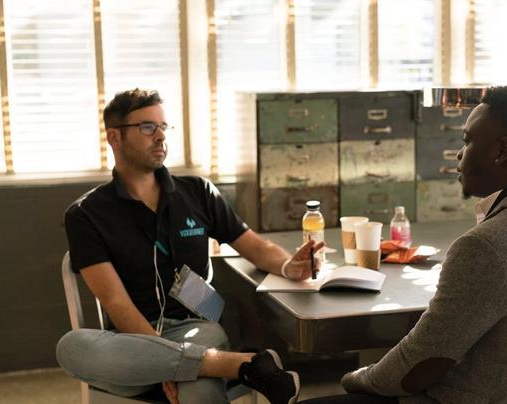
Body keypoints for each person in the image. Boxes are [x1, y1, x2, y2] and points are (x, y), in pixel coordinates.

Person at [302, 84, 507, 404]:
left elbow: (419, 367)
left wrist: (355, 378)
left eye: (467, 141)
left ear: (501, 151)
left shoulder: (486, 246)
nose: (459, 154)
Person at [56, 88, 323, 404]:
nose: (160, 136)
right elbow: (116, 303)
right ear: (115, 138)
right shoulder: (86, 214)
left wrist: (289, 266)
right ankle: (244, 365)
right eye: (147, 127)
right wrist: (164, 362)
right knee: (71, 347)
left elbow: (256, 247)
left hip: (198, 329)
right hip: (129, 346)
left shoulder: (197, 192)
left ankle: (208, 365)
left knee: (196, 390)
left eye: (163, 127)